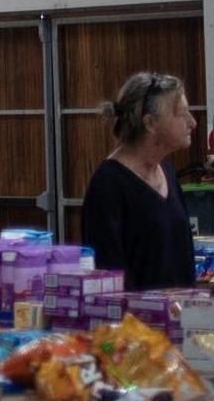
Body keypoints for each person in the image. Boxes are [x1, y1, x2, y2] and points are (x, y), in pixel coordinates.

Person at [82, 70, 198, 290]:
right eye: (181, 114)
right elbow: (107, 273)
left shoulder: (168, 174)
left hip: (178, 318)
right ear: (150, 123)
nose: (192, 122)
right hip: (135, 322)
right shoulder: (109, 186)